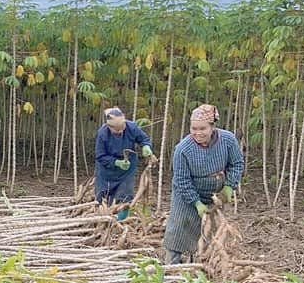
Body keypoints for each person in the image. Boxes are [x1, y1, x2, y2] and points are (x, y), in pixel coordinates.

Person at [162, 104, 245, 264]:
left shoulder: (227, 140)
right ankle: (171, 267)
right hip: (186, 195)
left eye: (202, 129)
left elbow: (237, 163)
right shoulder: (183, 149)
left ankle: (203, 265)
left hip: (215, 195)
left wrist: (229, 186)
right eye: (194, 128)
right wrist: (196, 203)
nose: (197, 133)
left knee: (210, 233)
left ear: (212, 127)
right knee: (179, 229)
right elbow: (182, 180)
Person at [94, 107, 153, 221]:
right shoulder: (102, 134)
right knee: (102, 197)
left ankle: (121, 221)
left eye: (122, 128)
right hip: (107, 171)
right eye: (117, 130)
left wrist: (146, 146)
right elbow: (100, 156)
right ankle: (103, 220)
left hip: (127, 170)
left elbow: (144, 139)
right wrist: (116, 162)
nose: (120, 131)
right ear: (109, 127)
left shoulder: (132, 127)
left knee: (125, 196)